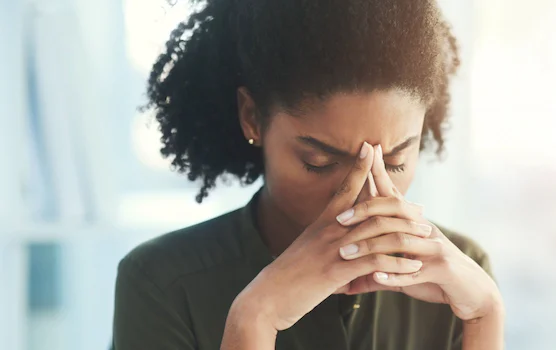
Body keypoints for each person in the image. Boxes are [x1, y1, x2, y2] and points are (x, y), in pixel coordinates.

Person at [112, 0, 503, 349]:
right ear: (253, 118)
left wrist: (486, 316)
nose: (366, 196)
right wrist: (253, 319)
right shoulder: (161, 284)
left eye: (396, 161)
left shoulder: (459, 275)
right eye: (319, 162)